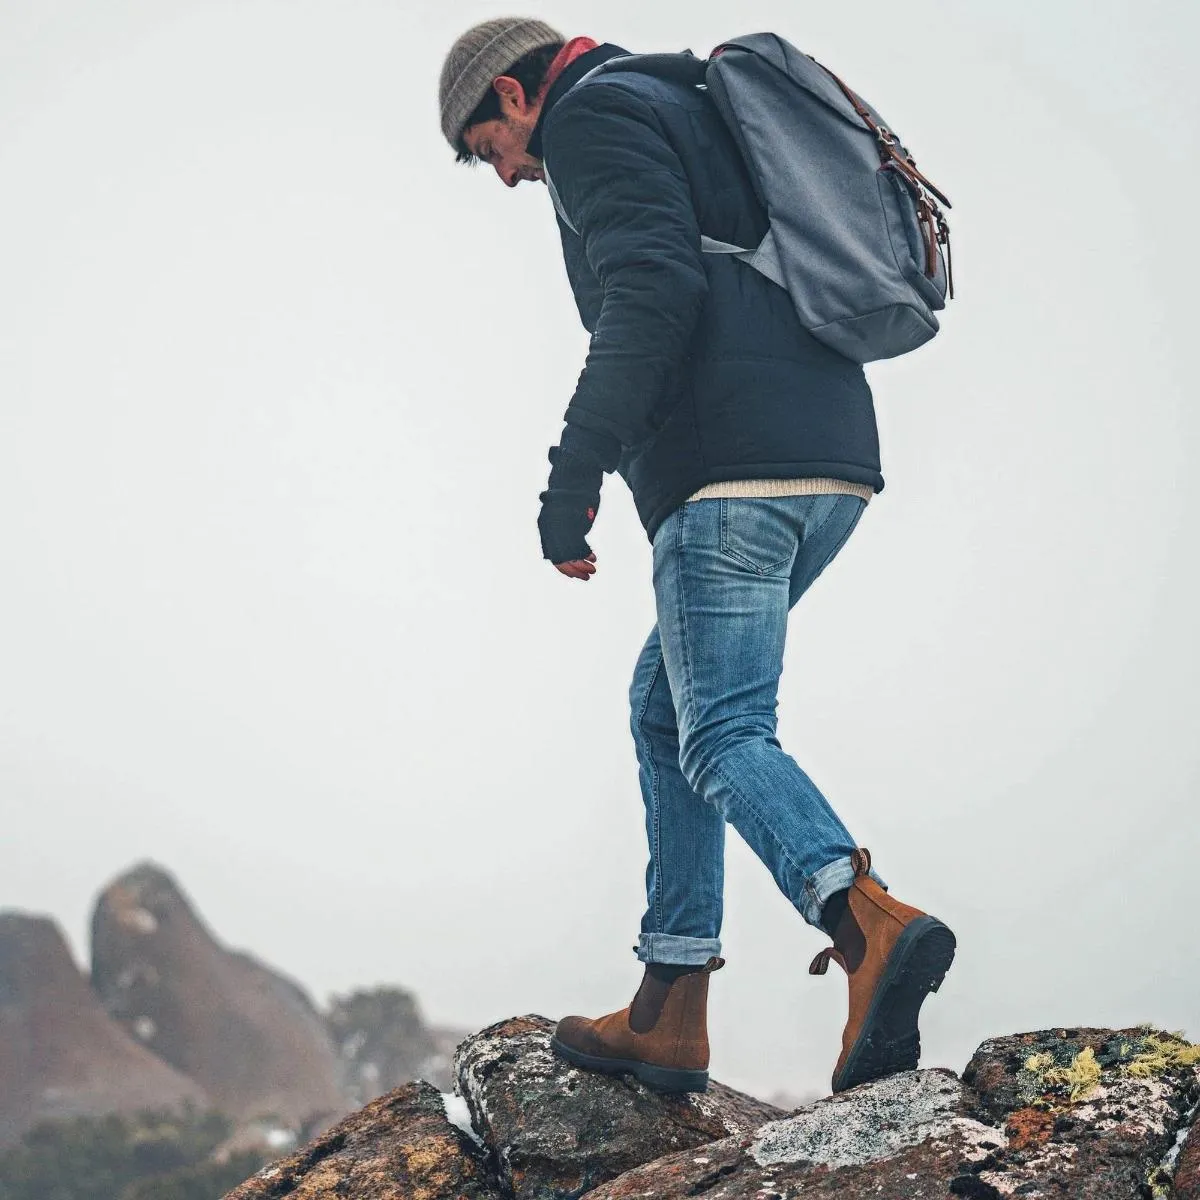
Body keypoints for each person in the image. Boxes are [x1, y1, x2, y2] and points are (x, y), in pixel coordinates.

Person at [437, 19, 956, 1095]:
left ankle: (864, 919)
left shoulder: (594, 122)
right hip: (828, 462)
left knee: (719, 729)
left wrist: (571, 480)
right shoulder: (685, 105)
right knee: (666, 710)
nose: (507, 176)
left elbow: (652, 291)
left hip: (730, 469)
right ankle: (671, 1004)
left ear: (518, 96)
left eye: (491, 147)